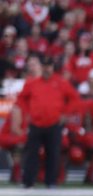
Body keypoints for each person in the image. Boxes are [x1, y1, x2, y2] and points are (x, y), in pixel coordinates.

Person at [14, 55, 79, 189]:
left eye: (49, 66)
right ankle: (28, 182)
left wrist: (65, 114)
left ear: (53, 67)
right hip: (36, 123)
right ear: (41, 67)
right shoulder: (32, 83)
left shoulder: (61, 83)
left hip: (54, 124)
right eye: (44, 66)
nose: (46, 69)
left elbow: (74, 98)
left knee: (53, 154)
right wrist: (27, 113)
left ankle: (51, 182)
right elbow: (21, 99)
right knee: (31, 153)